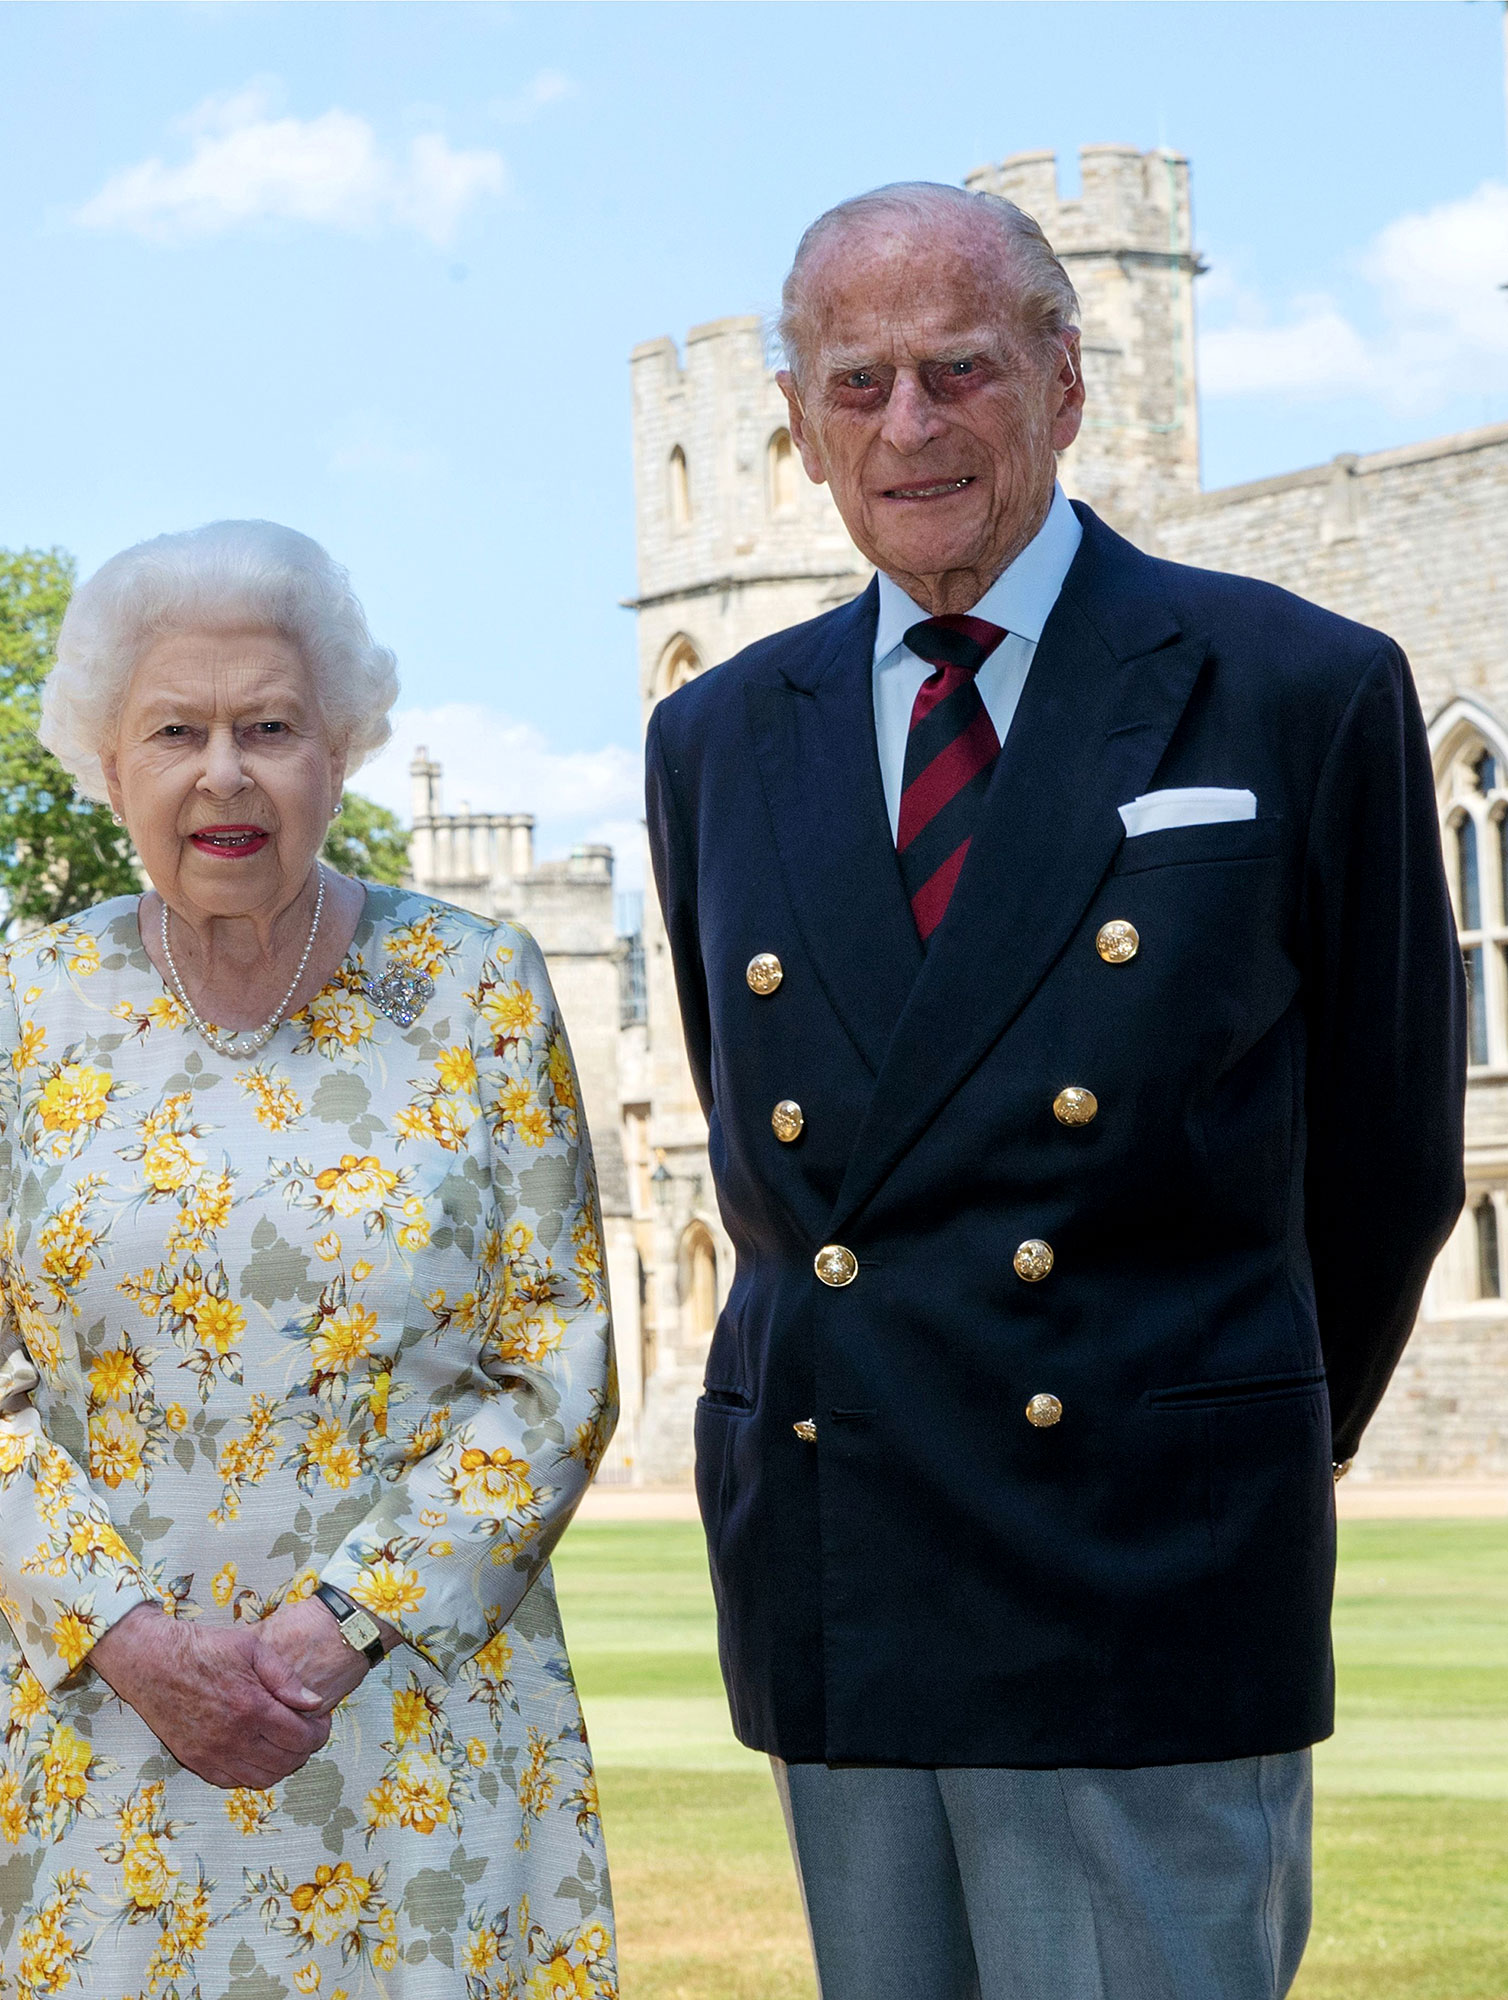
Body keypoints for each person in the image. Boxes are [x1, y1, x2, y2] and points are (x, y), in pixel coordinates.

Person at [644, 183, 1465, 2000]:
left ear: (1068, 385)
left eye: (960, 369)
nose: (910, 426)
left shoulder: (1294, 687)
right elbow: (768, 1140)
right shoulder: (717, 735)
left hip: (1147, 1564)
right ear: (796, 426)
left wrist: (1211, 1423)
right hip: (847, 1563)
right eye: (856, 386)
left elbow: (1396, 1153)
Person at [0, 520, 619, 2000]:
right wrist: (135, 1644)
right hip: (110, 1744)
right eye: (176, 729)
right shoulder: (28, 999)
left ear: (342, 753)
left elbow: (557, 1362)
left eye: (273, 726)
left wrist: (343, 1625)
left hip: (415, 1728)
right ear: (107, 764)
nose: (224, 772)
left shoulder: (480, 987)